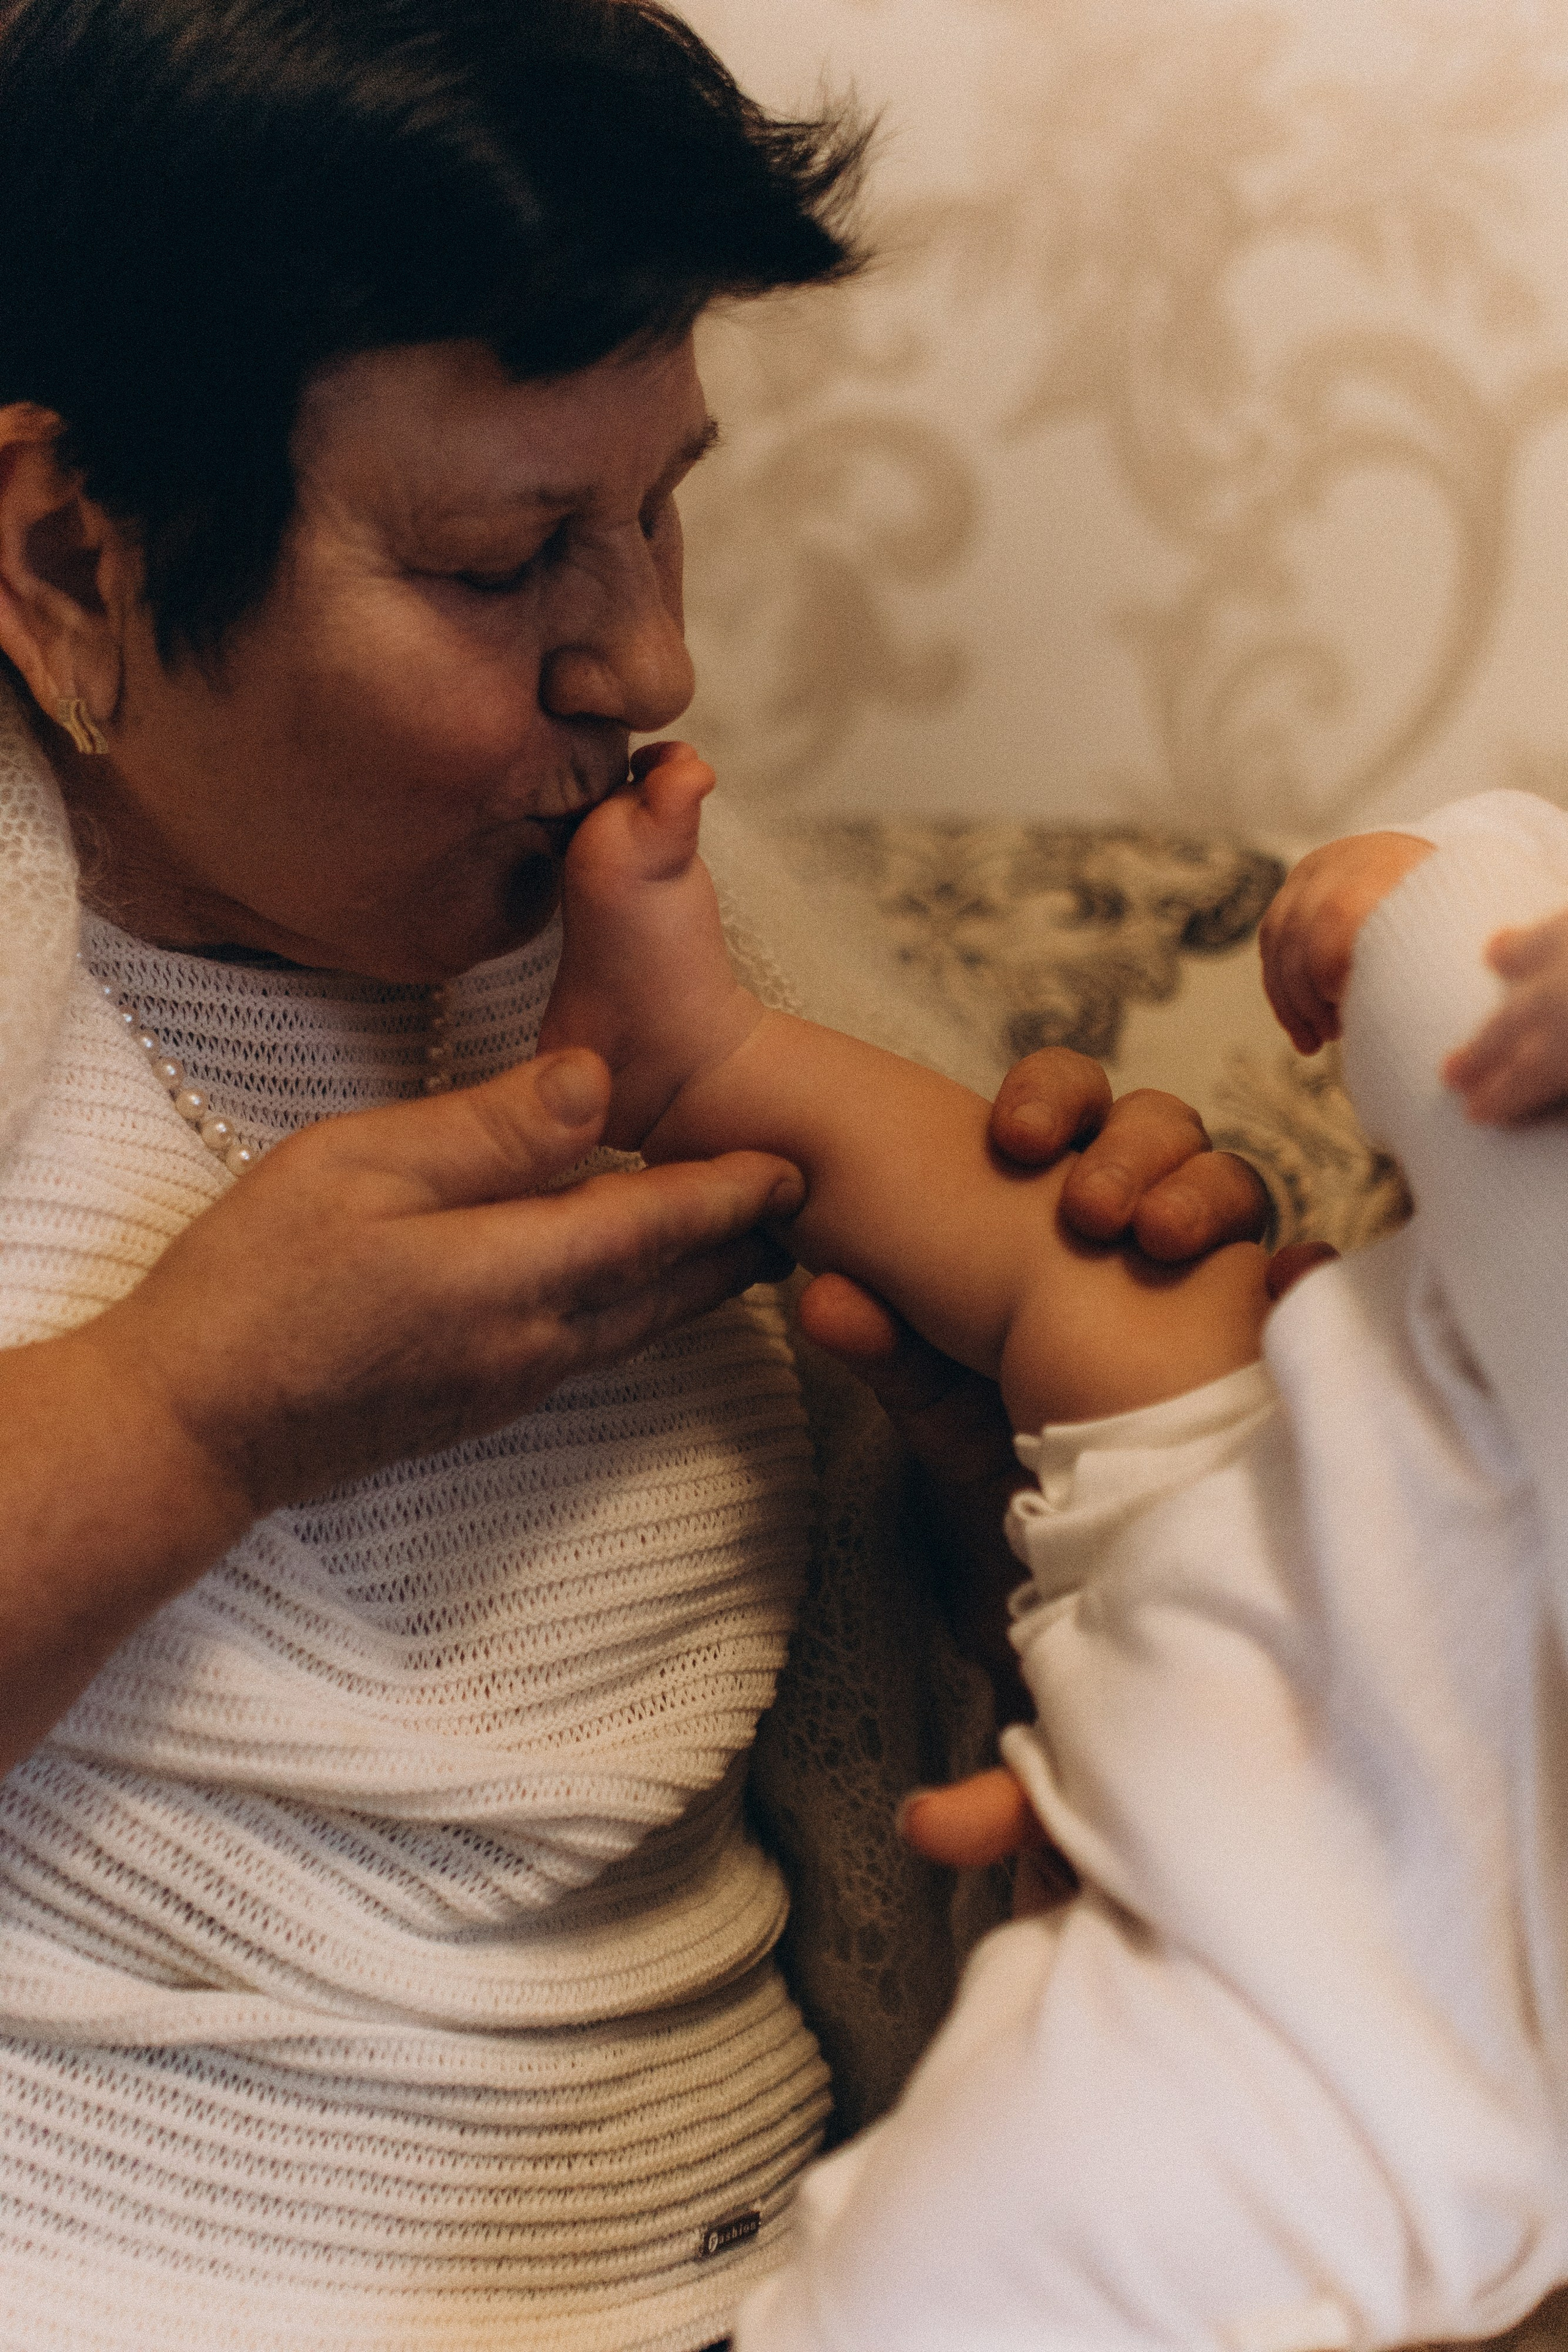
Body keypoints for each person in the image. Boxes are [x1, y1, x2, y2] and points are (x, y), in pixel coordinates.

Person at [0, 3, 1272, 2345]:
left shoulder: (713, 957)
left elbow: (1030, 1741)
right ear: (72, 554)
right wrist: (185, 1416)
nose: (654, 658)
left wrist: (1022, 1509)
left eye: (663, 499)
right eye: (508, 563)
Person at [537, 756, 1568, 2352]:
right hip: (1296, 1545)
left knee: (949, 2277)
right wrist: (1430, 871)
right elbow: (1497, 931)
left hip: (1360, 2026)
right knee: (1116, 1275)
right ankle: (710, 1055)